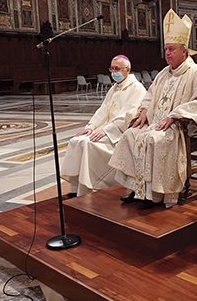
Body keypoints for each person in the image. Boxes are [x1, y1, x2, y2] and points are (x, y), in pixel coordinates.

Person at [109, 9, 197, 209]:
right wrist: (143, 111)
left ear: (184, 51)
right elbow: (149, 96)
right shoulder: (163, 74)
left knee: (153, 140)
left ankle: (156, 195)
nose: (167, 53)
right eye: (166, 49)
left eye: (172, 49)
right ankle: (137, 189)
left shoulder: (195, 73)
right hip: (155, 122)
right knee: (130, 135)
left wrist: (177, 115)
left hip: (177, 126)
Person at [61, 55, 147, 197]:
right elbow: (103, 110)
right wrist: (91, 126)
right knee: (76, 141)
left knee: (88, 145)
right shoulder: (115, 88)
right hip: (105, 129)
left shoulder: (137, 89)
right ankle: (75, 188)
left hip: (119, 134)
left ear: (128, 70)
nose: (114, 72)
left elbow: (127, 116)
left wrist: (106, 130)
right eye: (112, 69)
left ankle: (88, 188)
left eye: (117, 69)